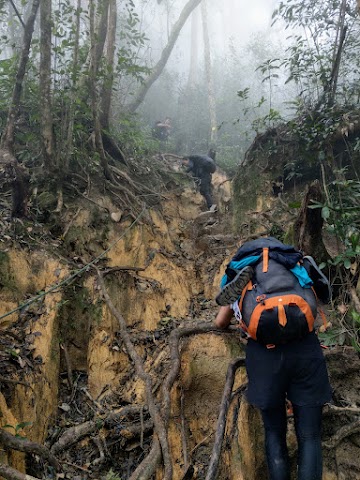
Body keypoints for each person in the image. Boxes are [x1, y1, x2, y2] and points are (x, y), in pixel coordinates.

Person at [214, 241, 332, 480]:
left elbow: (220, 323)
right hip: (305, 351)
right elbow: (323, 296)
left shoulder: (241, 271)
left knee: (274, 432)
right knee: (309, 436)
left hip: (264, 357)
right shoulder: (295, 264)